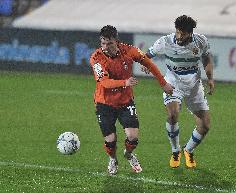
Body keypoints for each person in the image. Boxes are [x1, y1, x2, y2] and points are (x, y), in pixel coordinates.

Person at [89, 25, 174, 175]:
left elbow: (149, 63)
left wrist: (163, 83)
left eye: (109, 43)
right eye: (103, 43)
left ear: (117, 41)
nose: (105, 47)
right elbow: (104, 82)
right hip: (104, 103)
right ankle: (113, 159)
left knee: (133, 137)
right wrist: (125, 82)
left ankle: (128, 155)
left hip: (125, 102)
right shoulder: (96, 58)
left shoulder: (129, 50)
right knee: (110, 141)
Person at [141, 15, 215, 169]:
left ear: (190, 33)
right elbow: (147, 55)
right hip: (173, 83)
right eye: (177, 32)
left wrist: (210, 78)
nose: (179, 36)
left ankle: (188, 150)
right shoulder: (165, 42)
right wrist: (145, 63)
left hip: (194, 86)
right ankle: (175, 151)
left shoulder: (200, 41)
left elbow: (206, 59)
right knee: (172, 114)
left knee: (205, 125)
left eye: (183, 33)